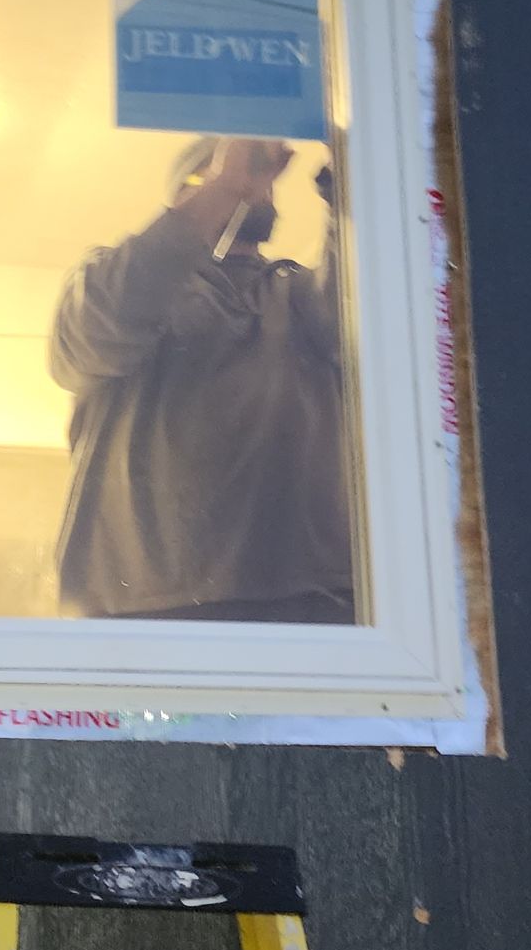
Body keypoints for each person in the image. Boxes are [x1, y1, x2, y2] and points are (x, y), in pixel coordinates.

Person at [49, 134, 354, 622]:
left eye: (252, 174)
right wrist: (225, 186)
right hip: (142, 605)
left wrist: (353, 169)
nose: (247, 185)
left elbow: (369, 316)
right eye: (207, 177)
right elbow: (103, 326)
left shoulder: (300, 297)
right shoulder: (111, 285)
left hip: (311, 602)